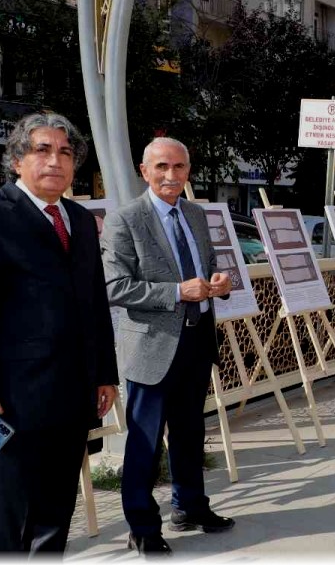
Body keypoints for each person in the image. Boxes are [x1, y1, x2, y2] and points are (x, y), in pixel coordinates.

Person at [0, 112, 118, 554]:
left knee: (54, 518)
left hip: (73, 397)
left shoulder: (79, 220)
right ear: (17, 160)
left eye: (65, 152)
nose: (55, 161)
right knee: (9, 527)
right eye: (42, 150)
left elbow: (94, 303)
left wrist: (104, 373)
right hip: (11, 403)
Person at [101, 138, 235, 556]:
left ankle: (190, 506)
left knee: (190, 433)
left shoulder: (195, 214)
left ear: (188, 171)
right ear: (144, 171)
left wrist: (221, 283)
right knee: (145, 443)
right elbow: (114, 286)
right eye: (161, 166)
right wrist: (177, 292)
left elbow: (208, 267)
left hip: (197, 341)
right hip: (151, 349)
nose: (171, 175)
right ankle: (142, 527)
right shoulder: (125, 220)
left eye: (179, 167)